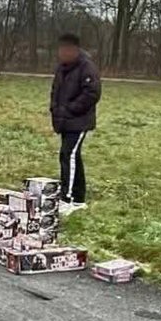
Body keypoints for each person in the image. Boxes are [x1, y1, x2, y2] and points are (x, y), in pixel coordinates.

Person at [49, 33, 101, 213]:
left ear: (74, 50)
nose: (61, 53)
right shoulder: (61, 68)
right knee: (73, 156)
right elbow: (55, 90)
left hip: (79, 121)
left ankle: (67, 198)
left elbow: (92, 93)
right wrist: (55, 109)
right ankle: (79, 199)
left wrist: (71, 109)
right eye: (60, 49)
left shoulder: (87, 68)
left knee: (67, 155)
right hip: (64, 120)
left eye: (65, 49)